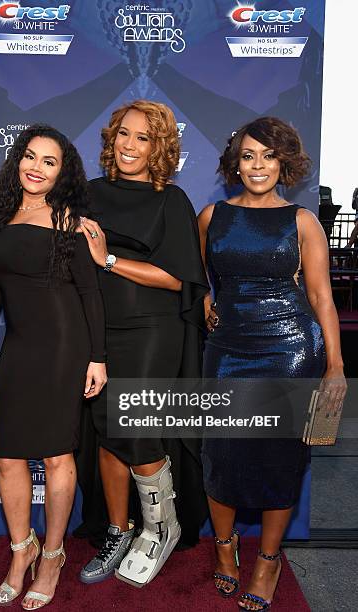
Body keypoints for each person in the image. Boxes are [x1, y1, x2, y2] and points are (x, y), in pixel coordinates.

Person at [197, 117, 347, 610]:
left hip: (290, 349)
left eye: (267, 156)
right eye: (247, 155)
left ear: (283, 162)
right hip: (228, 349)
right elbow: (202, 279)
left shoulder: (302, 221)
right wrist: (203, 302)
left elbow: (323, 297)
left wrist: (335, 365)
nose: (257, 165)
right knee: (222, 452)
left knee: (279, 457)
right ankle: (224, 549)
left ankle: (267, 559)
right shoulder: (211, 216)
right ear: (234, 163)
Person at [0, 124, 107, 610]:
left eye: (49, 161)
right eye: (30, 157)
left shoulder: (69, 219)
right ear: (16, 162)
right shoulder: (0, 217)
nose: (36, 167)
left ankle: (52, 554)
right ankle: (20, 551)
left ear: (62, 172)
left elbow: (90, 292)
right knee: (9, 457)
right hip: (19, 349)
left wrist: (98, 357)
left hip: (65, 347)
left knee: (56, 457)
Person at [76, 100, 209, 587]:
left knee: (137, 426)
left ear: (160, 148)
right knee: (107, 428)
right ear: (112, 139)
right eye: (123, 135)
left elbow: (178, 279)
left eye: (143, 138)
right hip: (98, 330)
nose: (129, 146)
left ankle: (160, 528)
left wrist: (107, 258)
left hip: (152, 330)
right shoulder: (88, 194)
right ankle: (117, 529)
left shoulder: (169, 201)